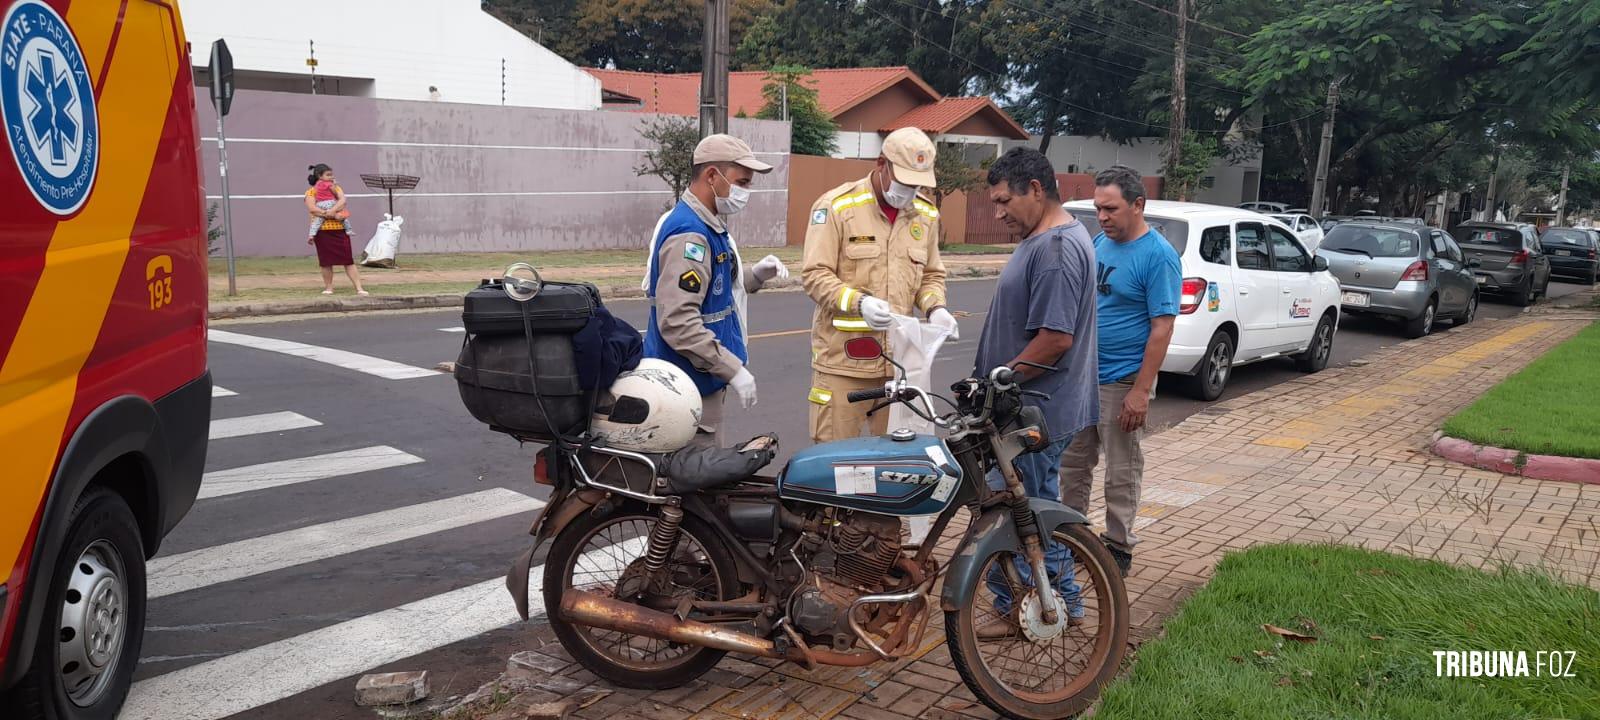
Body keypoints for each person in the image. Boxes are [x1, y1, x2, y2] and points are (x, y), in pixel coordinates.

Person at [970, 147, 1099, 637]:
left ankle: (1042, 607)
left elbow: (1055, 338)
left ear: (1037, 190)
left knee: (1026, 516)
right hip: (1029, 409)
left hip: (1035, 413)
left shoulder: (1056, 251)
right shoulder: (1042, 239)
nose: (998, 211)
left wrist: (998, 379)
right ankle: (1046, 604)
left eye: (1004, 201)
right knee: (1022, 510)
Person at [1061, 165, 1181, 578]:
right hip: (1084, 378)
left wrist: (1141, 391)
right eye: (1098, 209)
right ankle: (1070, 535)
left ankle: (1118, 546)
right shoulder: (1099, 243)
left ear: (1138, 204)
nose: (1104, 217)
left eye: (1111, 209)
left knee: (1121, 468)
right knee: (1074, 463)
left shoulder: (1158, 257)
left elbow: (1162, 327)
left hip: (1124, 380)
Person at [801, 127, 956, 443]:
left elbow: (930, 276)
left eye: (917, 184)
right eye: (904, 182)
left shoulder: (925, 215)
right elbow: (815, 275)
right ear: (881, 164)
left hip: (899, 367)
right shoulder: (838, 207)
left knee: (896, 466)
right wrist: (859, 303)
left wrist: (935, 307)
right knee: (836, 465)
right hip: (843, 366)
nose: (910, 191)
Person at [642, 134, 788, 447]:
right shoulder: (690, 236)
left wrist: (755, 276)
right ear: (712, 176)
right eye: (742, 182)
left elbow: (716, 291)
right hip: (685, 385)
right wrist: (732, 369)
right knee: (694, 484)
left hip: (700, 380)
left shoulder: (708, 226)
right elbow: (678, 321)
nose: (745, 192)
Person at [303, 164, 367, 296]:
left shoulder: (336, 188)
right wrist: (330, 213)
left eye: (331, 174)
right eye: (328, 175)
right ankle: (329, 287)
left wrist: (332, 210)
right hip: (323, 231)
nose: (331, 177)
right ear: (319, 176)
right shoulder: (311, 192)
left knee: (348, 260)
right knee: (326, 262)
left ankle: (359, 288)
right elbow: (312, 208)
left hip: (340, 229)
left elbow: (343, 200)